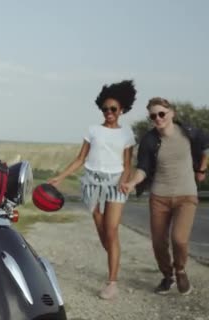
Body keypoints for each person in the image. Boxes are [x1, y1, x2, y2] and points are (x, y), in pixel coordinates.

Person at [48, 80, 136, 300]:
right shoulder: (93, 130)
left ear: (122, 110)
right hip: (91, 183)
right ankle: (114, 261)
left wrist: (124, 182)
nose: (109, 112)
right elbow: (80, 158)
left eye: (113, 109)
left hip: (115, 183)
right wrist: (60, 177)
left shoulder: (127, 134)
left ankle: (112, 282)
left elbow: (127, 164)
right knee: (104, 234)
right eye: (105, 109)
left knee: (112, 229)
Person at [122, 97, 209, 295]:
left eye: (162, 113)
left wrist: (202, 168)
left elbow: (206, 146)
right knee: (158, 242)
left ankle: (180, 270)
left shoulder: (188, 132)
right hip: (159, 196)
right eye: (153, 116)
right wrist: (132, 182)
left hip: (186, 195)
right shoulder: (149, 140)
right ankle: (167, 275)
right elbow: (143, 168)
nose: (158, 118)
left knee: (179, 239)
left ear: (172, 113)